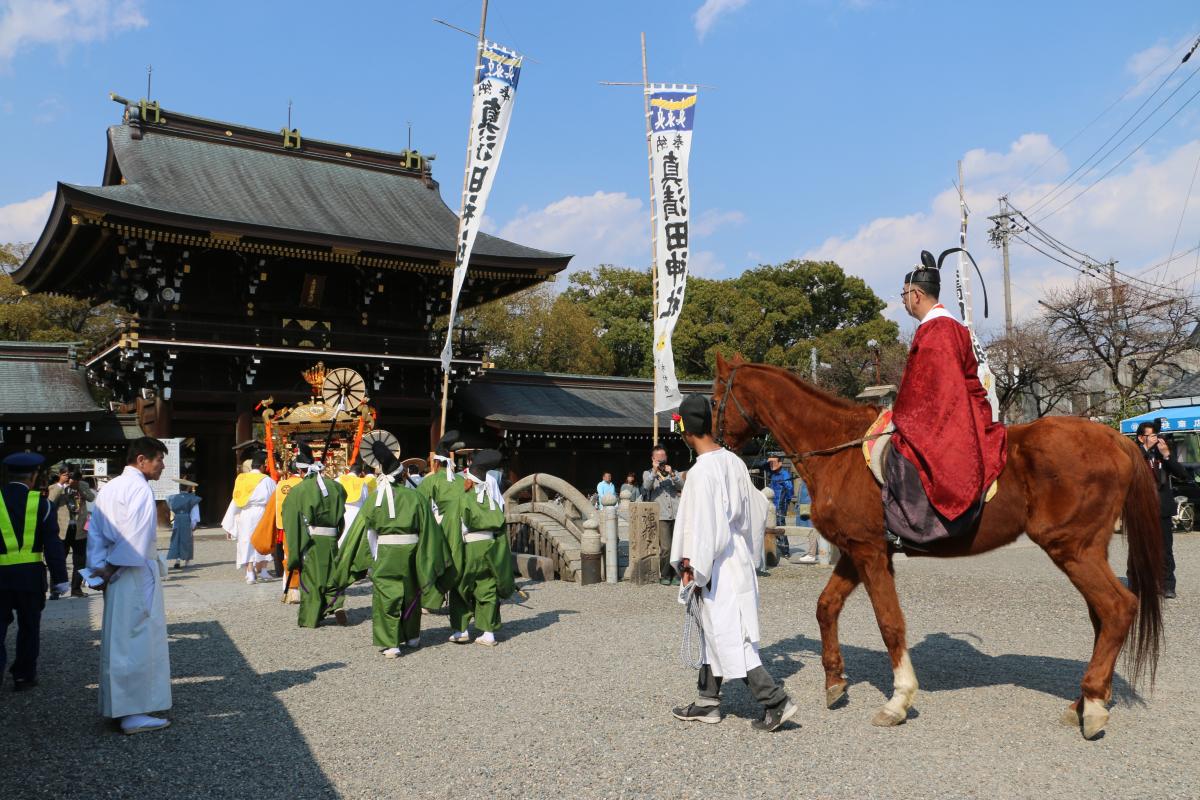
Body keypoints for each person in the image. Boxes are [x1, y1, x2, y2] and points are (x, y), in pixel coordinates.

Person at [669, 394, 799, 732]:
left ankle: (775, 701)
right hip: (736, 558)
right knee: (716, 633)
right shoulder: (734, 462)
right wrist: (747, 547)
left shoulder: (700, 473)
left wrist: (691, 566)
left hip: (715, 564)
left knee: (731, 639)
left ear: (685, 431)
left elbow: (703, 529)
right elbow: (756, 510)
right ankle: (707, 700)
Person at [883, 250, 1007, 547]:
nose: (901, 300)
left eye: (903, 294)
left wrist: (904, 415)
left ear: (916, 294)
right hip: (961, 405)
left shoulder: (937, 329)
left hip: (952, 411)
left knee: (901, 452)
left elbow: (935, 387)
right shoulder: (948, 326)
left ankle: (909, 528)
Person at [86, 437, 172, 735]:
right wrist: (110, 568)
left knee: (119, 639)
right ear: (141, 460)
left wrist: (98, 570)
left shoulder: (109, 488)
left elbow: (95, 533)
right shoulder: (138, 489)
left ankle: (119, 705)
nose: (161, 464)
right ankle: (133, 711)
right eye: (159, 459)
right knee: (138, 637)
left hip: (115, 570)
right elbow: (135, 536)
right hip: (131, 570)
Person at [334, 440, 450, 657]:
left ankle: (391, 643)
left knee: (386, 595)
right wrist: (430, 556)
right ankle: (412, 636)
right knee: (411, 592)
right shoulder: (415, 497)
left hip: (385, 552)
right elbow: (430, 531)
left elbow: (360, 532)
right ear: (402, 476)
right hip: (412, 552)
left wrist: (358, 559)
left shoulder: (375, 500)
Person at [0, 452, 67, 691]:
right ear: (34, 475)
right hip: (30, 577)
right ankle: (23, 676)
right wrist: (60, 579)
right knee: (29, 627)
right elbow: (53, 544)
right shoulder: (42, 504)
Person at [441, 449, 514, 647]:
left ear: (469, 480)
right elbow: (500, 522)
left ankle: (461, 630)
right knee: (488, 587)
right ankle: (488, 633)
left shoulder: (462, 499)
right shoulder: (491, 500)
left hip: (469, 547)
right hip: (490, 547)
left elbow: (454, 528)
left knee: (460, 587)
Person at [282, 442, 348, 628]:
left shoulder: (298, 491)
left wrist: (295, 553)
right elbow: (341, 514)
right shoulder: (336, 487)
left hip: (312, 539)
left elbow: (291, 522)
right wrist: (336, 533)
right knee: (332, 573)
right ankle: (336, 604)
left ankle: (310, 617)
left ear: (301, 471)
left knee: (312, 578)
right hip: (332, 537)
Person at [1133, 421, 1189, 599]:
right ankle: (1140, 583)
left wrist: (1166, 456)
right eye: (1152, 435)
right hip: (1141, 509)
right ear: (1141, 438)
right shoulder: (1134, 453)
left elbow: (1182, 474)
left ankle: (1167, 585)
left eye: (1157, 435)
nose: (1156, 439)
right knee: (1139, 549)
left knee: (1165, 549)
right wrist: (1144, 451)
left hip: (1162, 508)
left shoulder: (1161, 453)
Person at [221, 449, 278, 584]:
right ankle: (263, 570)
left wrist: (230, 520)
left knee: (246, 541)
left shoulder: (241, 479)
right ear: (263, 467)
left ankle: (250, 572)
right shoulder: (267, 480)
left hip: (245, 513)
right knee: (263, 539)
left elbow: (236, 499)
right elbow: (274, 498)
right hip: (263, 512)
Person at [642, 445, 682, 585]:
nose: (662, 461)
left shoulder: (673, 472)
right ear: (653, 459)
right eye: (659, 459)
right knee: (666, 547)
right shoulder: (648, 473)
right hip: (662, 515)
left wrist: (672, 474)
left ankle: (677, 574)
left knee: (678, 546)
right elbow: (646, 487)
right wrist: (654, 470)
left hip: (677, 513)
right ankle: (665, 574)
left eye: (663, 458)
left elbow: (682, 486)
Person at [336, 459, 374, 548]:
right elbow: (366, 500)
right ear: (360, 474)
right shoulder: (362, 483)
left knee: (341, 539)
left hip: (342, 512)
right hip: (357, 514)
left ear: (349, 471)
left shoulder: (338, 479)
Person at [166, 478, 202, 570]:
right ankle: (187, 561)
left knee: (176, 539)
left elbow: (172, 509)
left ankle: (177, 561)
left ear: (180, 487)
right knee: (187, 540)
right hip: (187, 519)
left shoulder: (173, 498)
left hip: (177, 519)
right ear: (188, 488)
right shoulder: (192, 498)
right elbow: (194, 513)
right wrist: (194, 524)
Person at [765, 455, 794, 558]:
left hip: (781, 504)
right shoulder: (772, 474)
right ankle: (776, 547)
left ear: (780, 463)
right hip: (771, 504)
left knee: (780, 525)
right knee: (771, 525)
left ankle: (785, 550)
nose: (771, 464)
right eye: (770, 462)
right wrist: (769, 460)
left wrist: (787, 500)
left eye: (774, 462)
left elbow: (790, 489)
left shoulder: (784, 474)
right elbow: (763, 465)